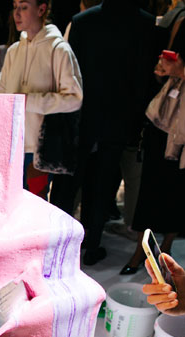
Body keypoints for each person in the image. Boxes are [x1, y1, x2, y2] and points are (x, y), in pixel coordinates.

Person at [49, 0, 157, 266]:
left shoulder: (83, 21)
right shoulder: (146, 24)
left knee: (68, 185)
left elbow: (70, 75)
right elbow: (144, 79)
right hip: (120, 119)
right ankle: (92, 245)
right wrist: (135, 121)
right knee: (102, 184)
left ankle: (57, 246)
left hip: (82, 115)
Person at [0, 0, 83, 197]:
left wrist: (29, 100)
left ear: (41, 9)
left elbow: (74, 98)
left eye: (24, 7)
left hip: (40, 148)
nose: (17, 13)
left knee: (35, 203)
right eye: (15, 6)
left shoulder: (58, 49)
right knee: (11, 202)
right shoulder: (14, 51)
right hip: (12, 146)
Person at [121, 18, 185, 274]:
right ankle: (142, 249)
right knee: (149, 187)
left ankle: (166, 247)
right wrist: (163, 69)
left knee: (178, 189)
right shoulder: (182, 21)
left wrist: (180, 71)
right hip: (164, 118)